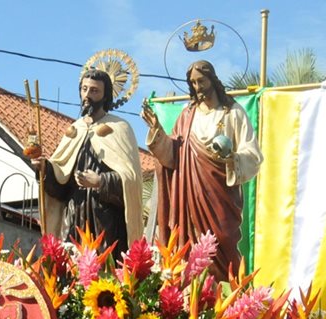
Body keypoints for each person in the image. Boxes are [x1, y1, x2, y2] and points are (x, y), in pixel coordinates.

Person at [141, 60, 262, 281]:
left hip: (220, 194)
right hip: (189, 195)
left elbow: (252, 155)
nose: (198, 87)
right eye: (193, 83)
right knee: (191, 245)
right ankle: (193, 293)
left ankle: (227, 294)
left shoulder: (233, 113)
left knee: (223, 237)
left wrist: (231, 158)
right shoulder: (187, 116)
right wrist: (157, 131)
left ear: (213, 80)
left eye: (202, 81)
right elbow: (172, 156)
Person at [35, 67, 143, 257]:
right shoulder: (74, 129)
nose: (87, 95)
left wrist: (101, 181)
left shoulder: (119, 128)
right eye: (84, 89)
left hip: (105, 219)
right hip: (74, 214)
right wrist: (45, 170)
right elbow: (60, 185)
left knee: (103, 274)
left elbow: (132, 180)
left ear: (105, 95)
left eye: (94, 91)